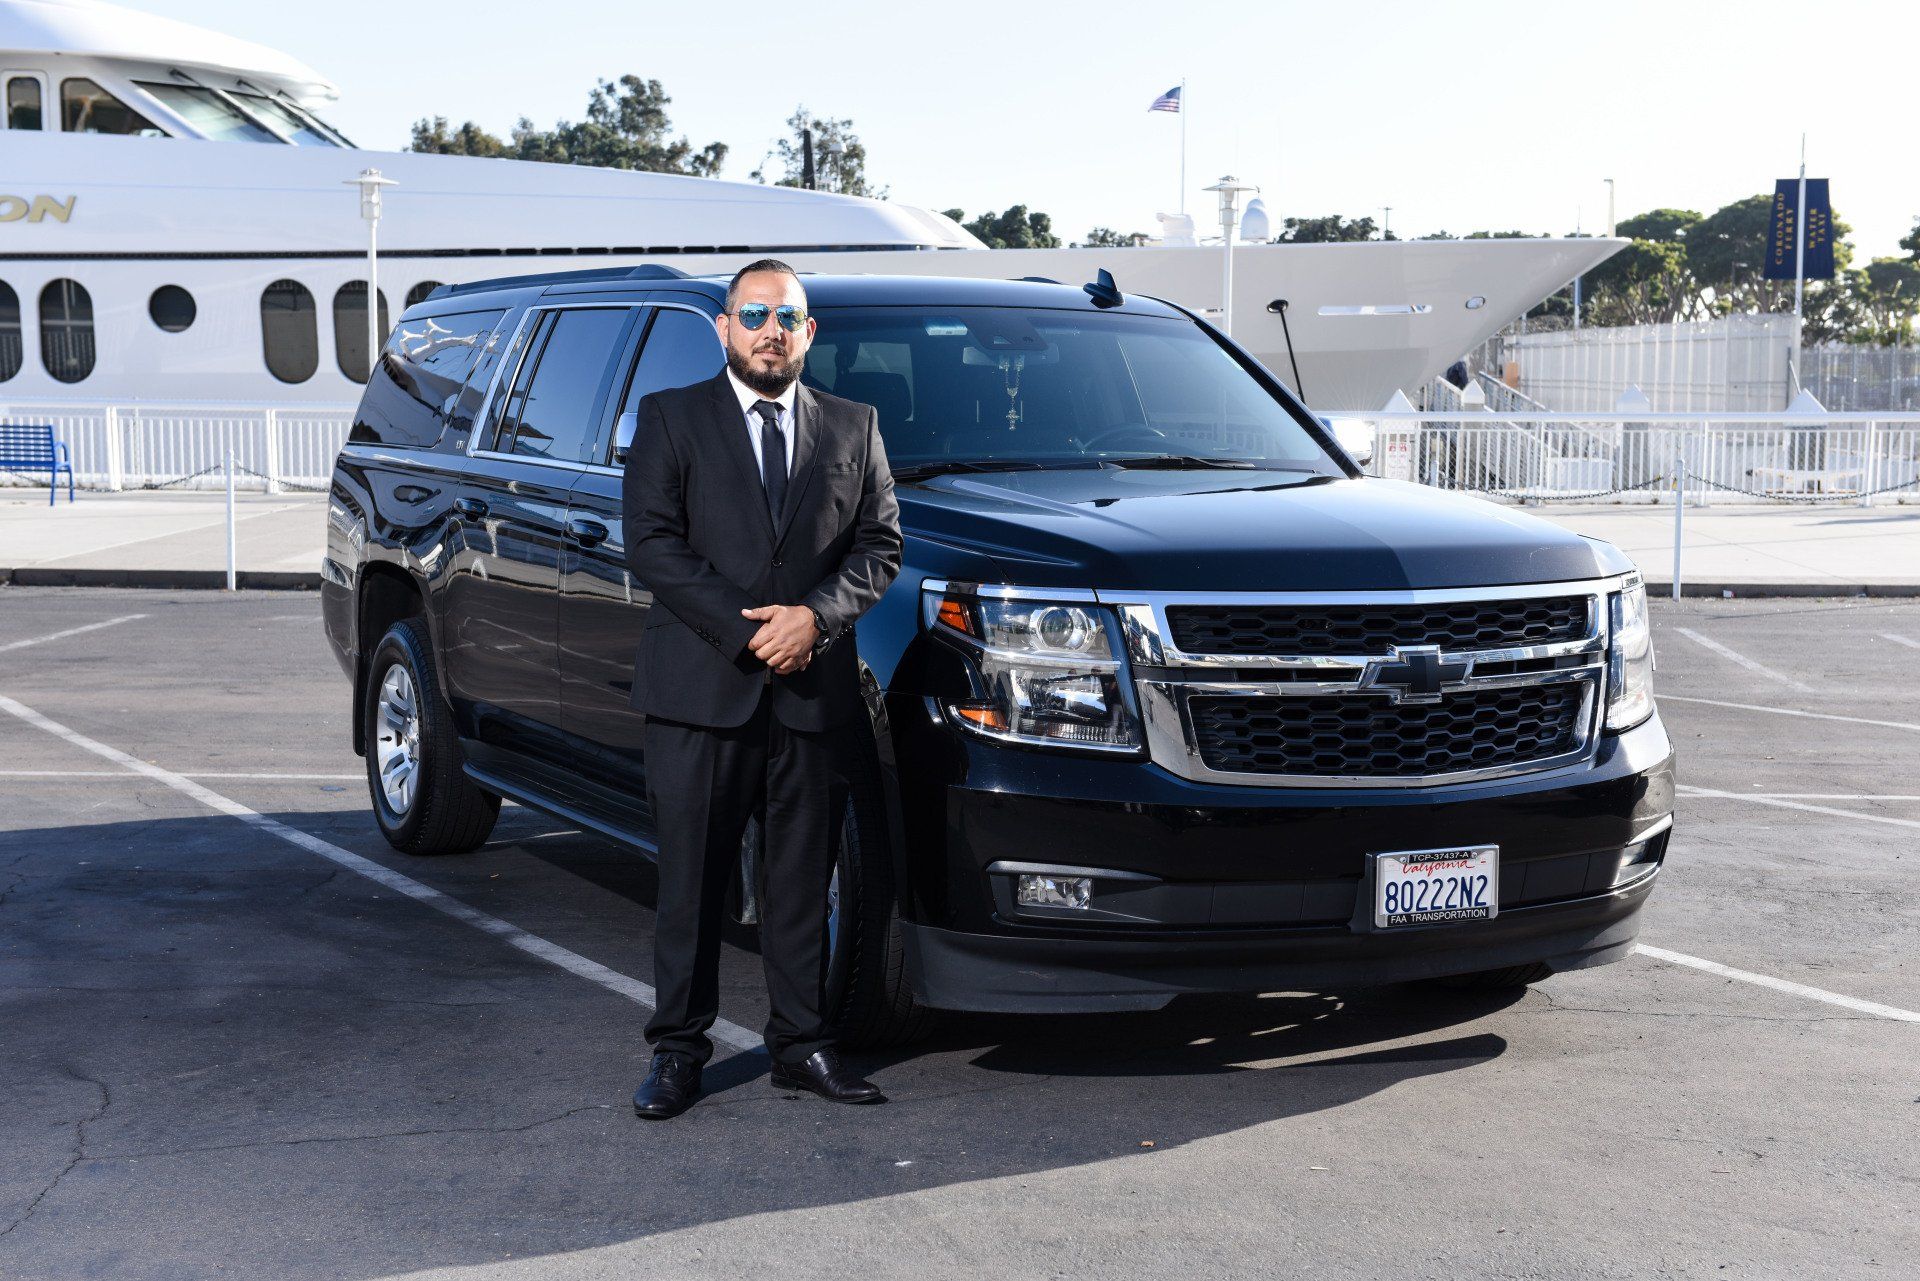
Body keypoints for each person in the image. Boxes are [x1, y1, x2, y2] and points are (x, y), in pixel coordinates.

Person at [623, 259, 902, 1120]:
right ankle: (677, 1051)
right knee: (693, 884)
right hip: (702, 694)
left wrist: (813, 620)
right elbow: (652, 543)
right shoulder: (671, 419)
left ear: (809, 333)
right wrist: (753, 632)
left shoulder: (855, 425)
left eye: (788, 315)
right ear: (725, 329)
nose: (772, 329)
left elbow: (879, 546)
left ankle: (801, 1045)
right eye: (755, 313)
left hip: (812, 697)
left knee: (797, 882)